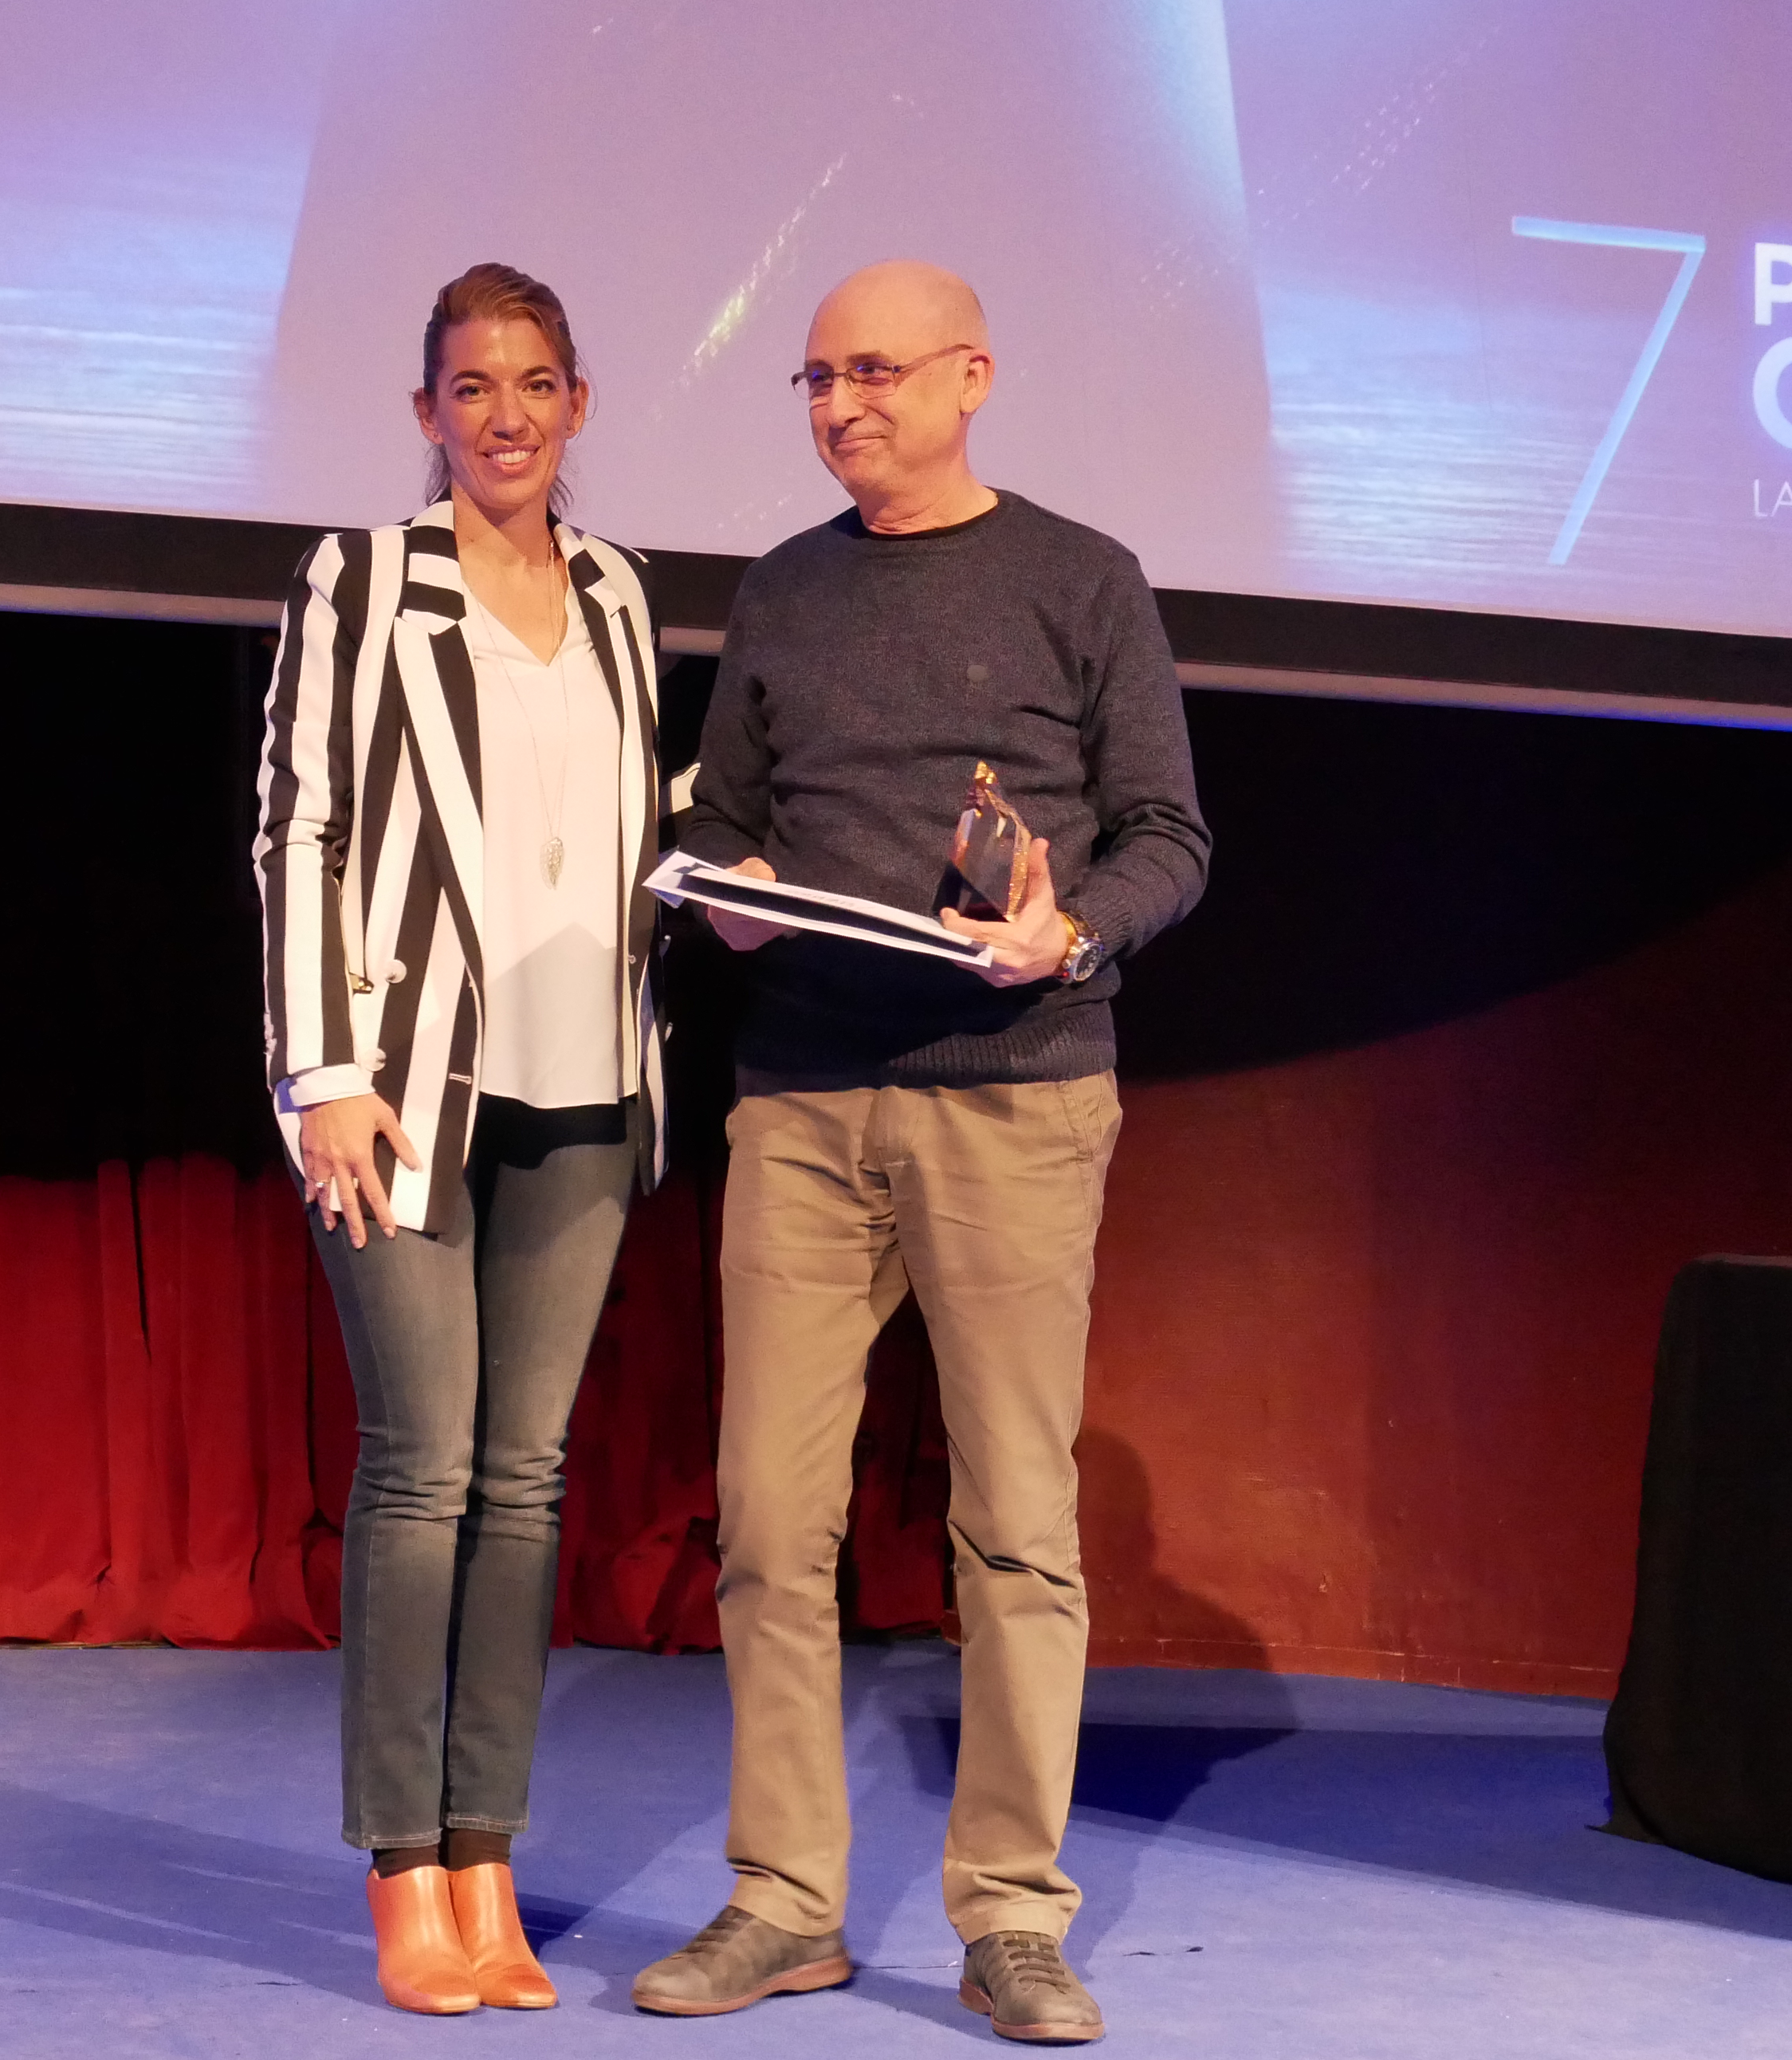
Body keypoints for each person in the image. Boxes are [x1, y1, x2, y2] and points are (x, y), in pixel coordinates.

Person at [628, 261, 1209, 2045]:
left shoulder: (1082, 577)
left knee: (1015, 1527)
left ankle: (1012, 1914)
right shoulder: (784, 590)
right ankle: (784, 1900)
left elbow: (1168, 835)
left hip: (1014, 1093)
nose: (841, 406)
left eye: (874, 372)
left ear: (973, 376)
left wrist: (1069, 931)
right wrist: (720, 891)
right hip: (802, 1100)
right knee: (768, 1522)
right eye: (816, 380)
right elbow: (727, 814)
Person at [250, 262, 670, 2017]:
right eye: (472, 386)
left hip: (589, 1086)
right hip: (403, 1087)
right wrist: (320, 1070)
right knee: (423, 1470)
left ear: (580, 401)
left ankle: (487, 1852)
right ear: (427, 411)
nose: (506, 415)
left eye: (535, 382)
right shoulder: (361, 577)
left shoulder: (620, 590)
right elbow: (300, 827)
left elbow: (619, 818)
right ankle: (402, 1868)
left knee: (527, 1479)